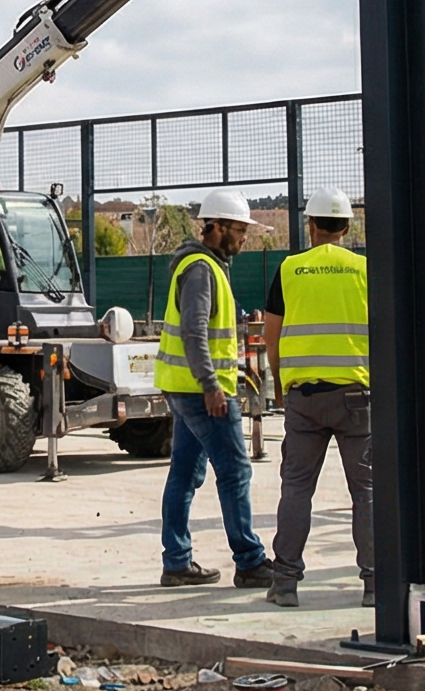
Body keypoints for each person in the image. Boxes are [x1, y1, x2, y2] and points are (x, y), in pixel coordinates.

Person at [259, 188, 372, 609]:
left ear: (311, 225)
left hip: (304, 399)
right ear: (347, 227)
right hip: (357, 398)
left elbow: (272, 338)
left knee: (296, 489)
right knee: (367, 493)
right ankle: (375, 583)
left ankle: (285, 583)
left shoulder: (290, 269)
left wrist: (279, 384)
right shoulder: (364, 269)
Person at [155, 190, 273, 589]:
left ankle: (176, 562)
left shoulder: (203, 266)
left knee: (185, 472)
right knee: (235, 471)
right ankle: (250, 561)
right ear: (217, 227)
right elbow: (194, 332)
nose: (244, 237)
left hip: (183, 386)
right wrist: (210, 386)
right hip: (201, 391)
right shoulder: (202, 269)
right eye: (239, 229)